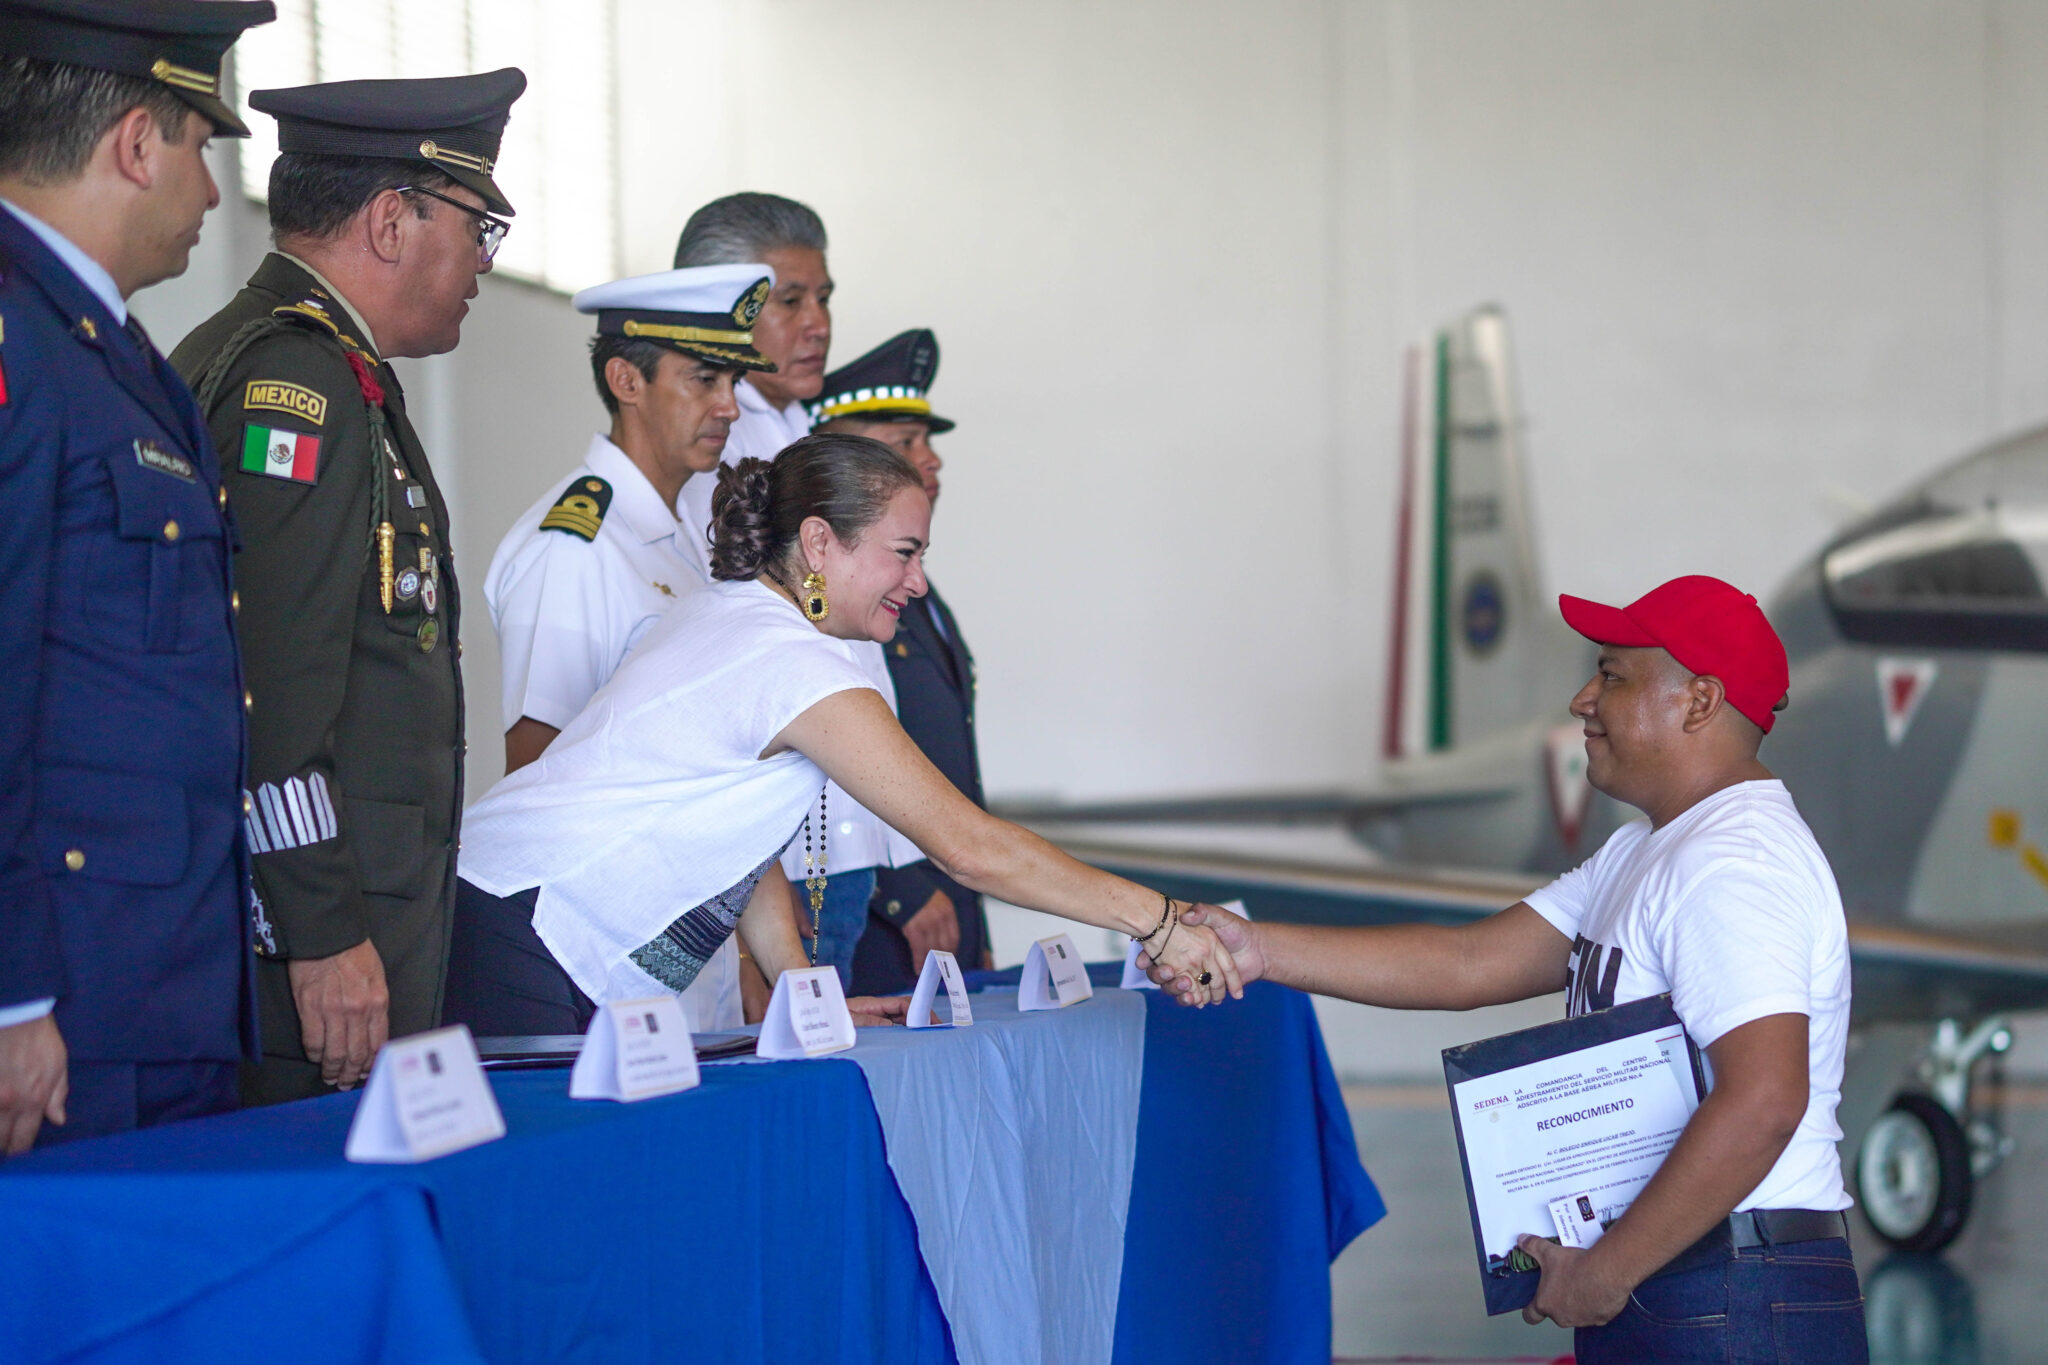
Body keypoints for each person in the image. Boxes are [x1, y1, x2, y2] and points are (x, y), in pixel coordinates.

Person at [1154, 576, 1864, 1363]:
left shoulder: (1735, 861)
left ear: (1699, 701)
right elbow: (1468, 961)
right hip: (1684, 1275)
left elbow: (1764, 1099)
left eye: (1612, 675)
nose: (1583, 699)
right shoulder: (1647, 849)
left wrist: (1606, 1271)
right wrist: (1258, 949)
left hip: (1735, 1290)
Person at [444, 433, 1242, 1037]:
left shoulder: (738, 615)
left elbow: (741, 842)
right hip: (523, 930)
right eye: (904, 553)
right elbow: (970, 847)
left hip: (513, 922)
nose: (917, 582)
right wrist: (1158, 919)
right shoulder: (791, 659)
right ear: (821, 542)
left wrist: (798, 985)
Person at [168, 69, 526, 1103]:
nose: (481, 263)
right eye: (477, 227)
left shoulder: (330, 370)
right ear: (389, 220)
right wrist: (321, 932)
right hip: (313, 959)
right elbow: (270, 686)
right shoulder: (299, 383)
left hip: (348, 936)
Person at [0, 0, 275, 1152]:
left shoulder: (109, 352)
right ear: (134, 144)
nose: (211, 193)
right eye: (201, 148)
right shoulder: (20, 337)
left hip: (154, 983)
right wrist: (11, 991)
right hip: (67, 1000)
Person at [474, 262, 776, 1030]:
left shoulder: (682, 540)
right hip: (599, 969)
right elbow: (537, 771)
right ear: (625, 379)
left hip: (685, 949)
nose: (728, 405)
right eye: (703, 379)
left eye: (734, 380)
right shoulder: (575, 547)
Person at [671, 192, 917, 992]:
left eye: (824, 298)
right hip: (774, 855)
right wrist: (753, 943)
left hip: (835, 838)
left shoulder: (801, 434)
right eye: (789, 301)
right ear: (720, 306)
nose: (818, 324)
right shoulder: (717, 451)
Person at [809, 330, 992, 993]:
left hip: (950, 889)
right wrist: (900, 888)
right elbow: (827, 760)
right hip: (883, 912)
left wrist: (974, 921)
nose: (930, 458)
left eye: (927, 441)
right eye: (906, 442)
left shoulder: (914, 583)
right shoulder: (829, 590)